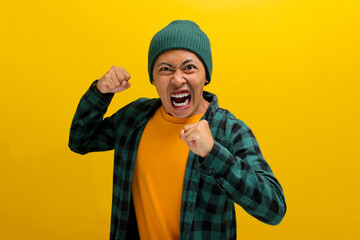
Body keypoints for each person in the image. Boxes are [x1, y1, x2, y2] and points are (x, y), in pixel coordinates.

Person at [69, 20, 286, 240]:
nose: (177, 78)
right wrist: (100, 92)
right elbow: (80, 139)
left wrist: (213, 153)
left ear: (206, 76)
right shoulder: (134, 118)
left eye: (189, 67)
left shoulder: (230, 130)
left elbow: (274, 209)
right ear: (153, 79)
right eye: (165, 69)